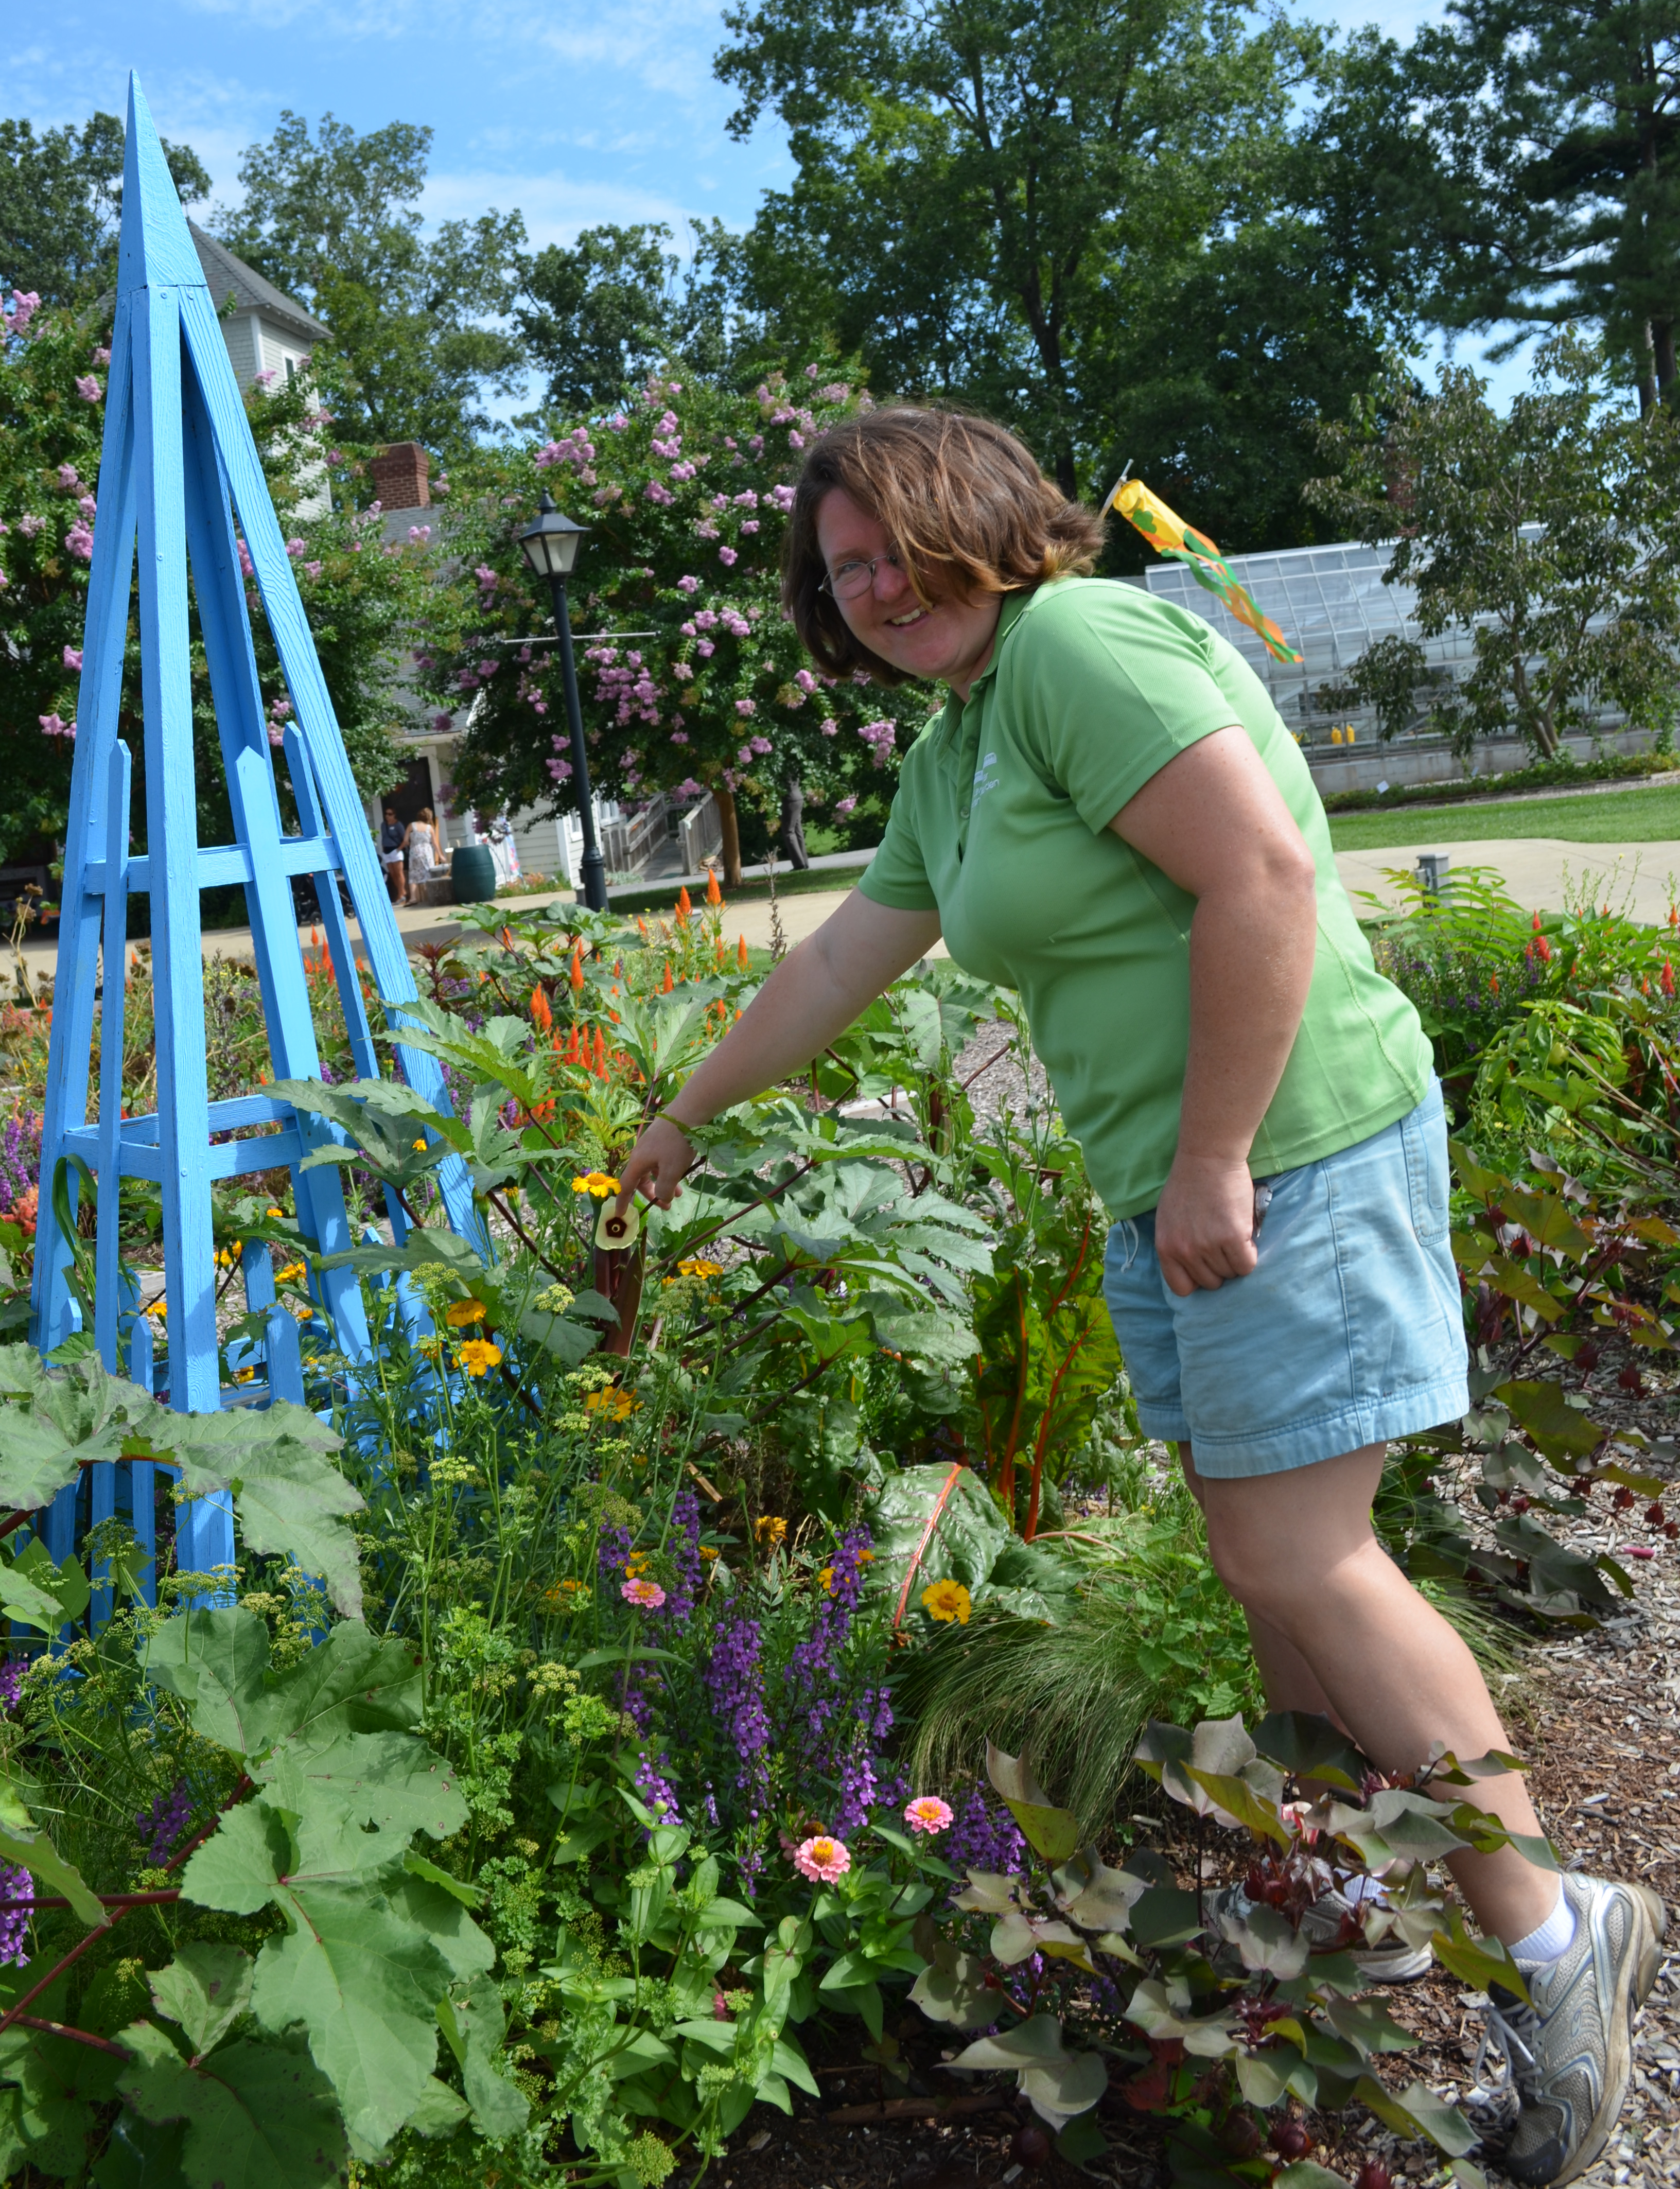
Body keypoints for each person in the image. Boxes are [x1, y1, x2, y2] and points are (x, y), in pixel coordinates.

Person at [617, 407, 1664, 2188]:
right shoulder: (960, 738)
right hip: (1183, 1180)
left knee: (1302, 1555)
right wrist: (682, 1114)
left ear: (972, 517)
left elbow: (1259, 874)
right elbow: (846, 950)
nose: (869, 589)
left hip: (1285, 1149)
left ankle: (1558, 1934)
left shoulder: (1074, 646)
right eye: (839, 571)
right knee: (1266, 1563)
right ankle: (1349, 1894)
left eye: (889, 548)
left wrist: (1213, 1155)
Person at [405, 807, 441, 904]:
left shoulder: (411, 826)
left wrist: (413, 845)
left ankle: (413, 898)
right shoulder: (430, 828)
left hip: (415, 852)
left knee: (413, 875)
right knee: (428, 873)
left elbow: (405, 841)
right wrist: (440, 855)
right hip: (427, 853)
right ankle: (430, 897)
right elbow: (435, 843)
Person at [379, 804, 408, 906]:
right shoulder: (383, 825)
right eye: (386, 814)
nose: (387, 816)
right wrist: (383, 849)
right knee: (393, 874)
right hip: (386, 851)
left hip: (395, 850)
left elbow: (405, 839)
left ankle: (401, 894)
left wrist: (399, 849)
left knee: (399, 873)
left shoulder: (398, 825)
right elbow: (384, 838)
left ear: (394, 815)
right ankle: (402, 893)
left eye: (390, 814)